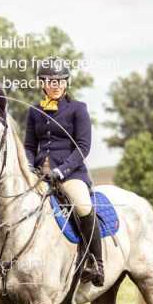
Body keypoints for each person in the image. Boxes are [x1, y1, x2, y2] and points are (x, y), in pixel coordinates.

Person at [24, 56, 104, 286]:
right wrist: (31, 166)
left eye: (60, 80)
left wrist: (61, 171)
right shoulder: (34, 111)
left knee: (82, 205)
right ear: (42, 83)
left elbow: (83, 147)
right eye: (50, 80)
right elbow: (29, 146)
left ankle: (95, 263)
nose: (55, 84)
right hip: (40, 175)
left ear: (66, 83)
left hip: (70, 173)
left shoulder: (78, 109)